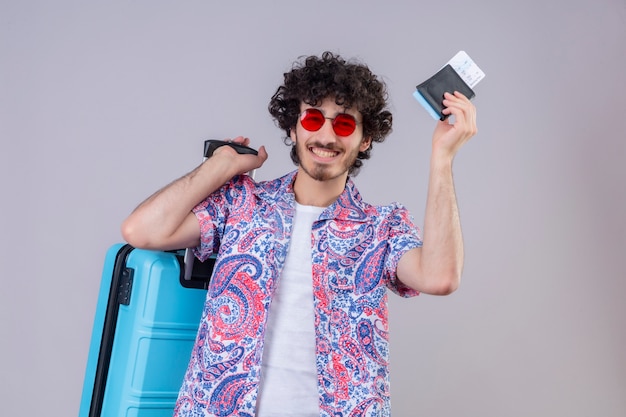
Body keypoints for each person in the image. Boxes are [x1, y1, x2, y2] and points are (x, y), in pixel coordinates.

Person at [121, 51, 477, 417]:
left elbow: (440, 276)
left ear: (365, 138)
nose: (325, 135)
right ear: (293, 128)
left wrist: (442, 158)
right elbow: (142, 230)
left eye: (343, 124)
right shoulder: (243, 203)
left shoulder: (381, 229)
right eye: (312, 118)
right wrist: (218, 167)